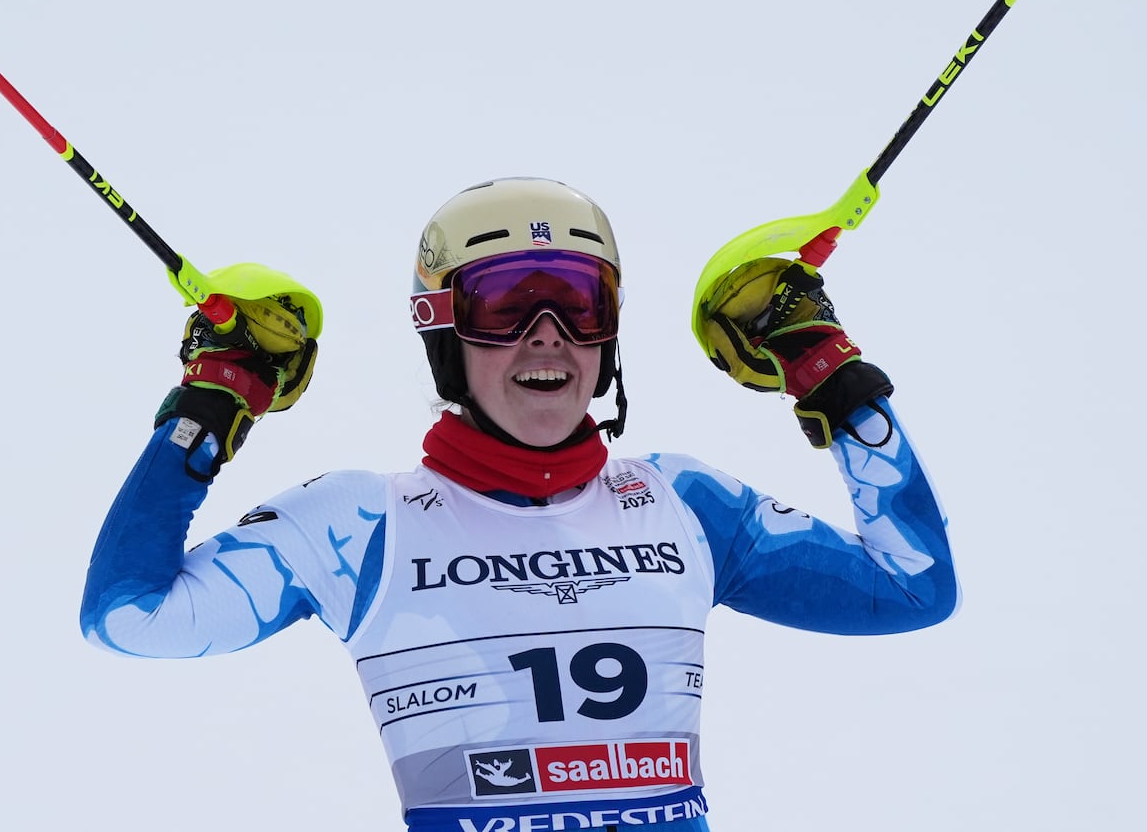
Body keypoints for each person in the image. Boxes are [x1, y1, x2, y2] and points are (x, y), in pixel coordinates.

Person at [82, 176, 958, 832]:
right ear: (444, 336)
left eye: (580, 302)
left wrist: (830, 373)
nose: (549, 333)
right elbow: (131, 615)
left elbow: (916, 588)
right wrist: (211, 401)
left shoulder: (683, 503)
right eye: (504, 303)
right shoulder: (359, 524)